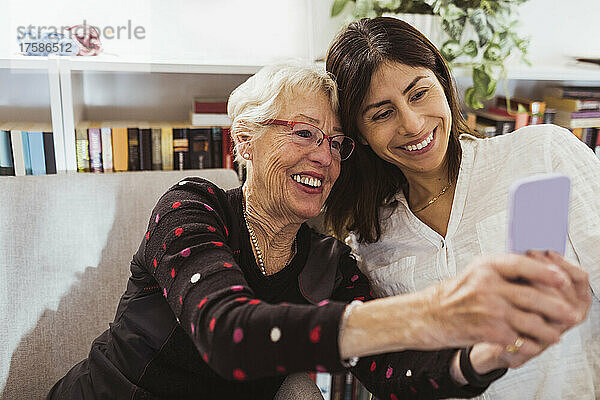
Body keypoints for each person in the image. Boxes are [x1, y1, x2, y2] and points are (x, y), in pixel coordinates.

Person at [47, 63, 589, 400]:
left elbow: (391, 373)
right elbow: (228, 334)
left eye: (336, 144)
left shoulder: (332, 263)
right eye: (304, 133)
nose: (323, 157)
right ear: (245, 140)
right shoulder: (191, 210)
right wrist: (436, 312)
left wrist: (481, 358)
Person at [324, 16, 599, 400]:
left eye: (418, 93)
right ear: (360, 135)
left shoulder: (543, 153)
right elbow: (408, 374)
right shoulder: (370, 240)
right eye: (382, 113)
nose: (413, 123)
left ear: (441, 80)